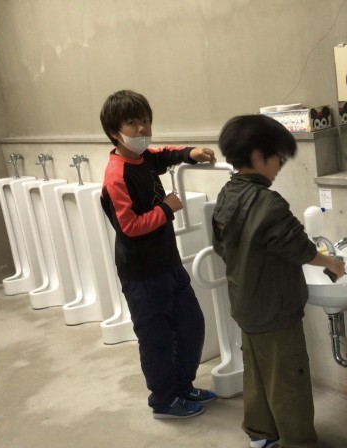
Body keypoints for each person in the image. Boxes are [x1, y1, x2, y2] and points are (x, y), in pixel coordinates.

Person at [212, 114, 346, 448]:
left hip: (245, 304)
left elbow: (221, 246)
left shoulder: (227, 193)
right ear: (258, 156)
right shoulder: (268, 203)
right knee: (288, 379)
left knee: (257, 373)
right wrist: (332, 262)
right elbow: (300, 249)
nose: (280, 167)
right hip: (275, 310)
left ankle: (261, 435)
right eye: (279, 158)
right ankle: (297, 442)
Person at [99, 90, 217, 419]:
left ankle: (182, 386)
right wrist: (166, 208)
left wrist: (190, 153)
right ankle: (164, 400)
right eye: (132, 123)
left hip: (168, 264)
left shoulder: (144, 158)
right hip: (141, 274)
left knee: (191, 326)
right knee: (156, 340)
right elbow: (129, 227)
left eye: (146, 121)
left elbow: (164, 154)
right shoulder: (116, 176)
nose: (142, 129)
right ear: (114, 131)